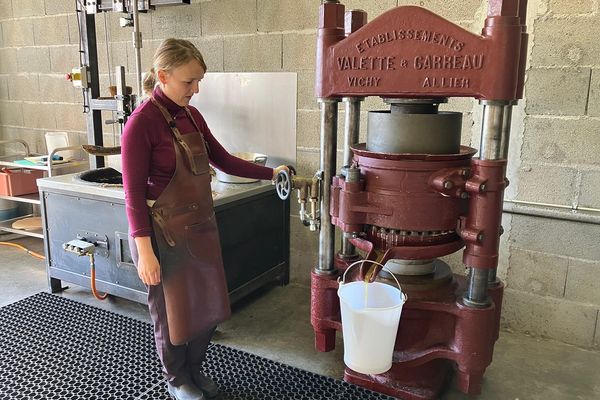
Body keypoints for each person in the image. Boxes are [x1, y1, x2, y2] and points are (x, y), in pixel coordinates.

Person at [122, 38, 289, 400]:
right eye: (189, 82)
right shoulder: (141, 123)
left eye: (200, 81)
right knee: (171, 316)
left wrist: (273, 171)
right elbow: (132, 194)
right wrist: (145, 251)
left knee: (209, 309)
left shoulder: (191, 116)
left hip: (199, 231)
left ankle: (194, 370)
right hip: (161, 238)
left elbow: (224, 160)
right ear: (163, 76)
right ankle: (177, 379)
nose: (196, 90)